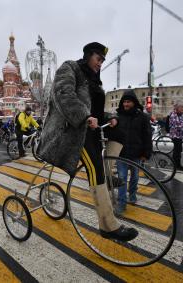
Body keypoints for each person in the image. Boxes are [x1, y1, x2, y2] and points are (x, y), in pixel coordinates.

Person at [37, 42, 138, 241]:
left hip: (88, 128)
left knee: (119, 133)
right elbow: (63, 94)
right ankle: (108, 226)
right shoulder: (70, 68)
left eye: (102, 60)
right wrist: (84, 116)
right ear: (88, 55)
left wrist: (109, 118)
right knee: (95, 166)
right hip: (69, 132)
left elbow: (96, 111)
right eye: (98, 59)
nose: (101, 63)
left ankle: (107, 175)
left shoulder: (95, 81)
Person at [115, 90, 152, 214]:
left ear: (134, 102)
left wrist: (146, 153)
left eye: (128, 102)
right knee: (122, 178)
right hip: (121, 154)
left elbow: (147, 136)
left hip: (136, 153)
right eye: (124, 102)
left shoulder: (142, 117)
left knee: (135, 177)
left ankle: (132, 195)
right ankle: (121, 203)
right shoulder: (117, 116)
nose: (126, 104)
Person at [169, 102, 183, 170]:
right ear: (177, 108)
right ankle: (177, 165)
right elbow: (176, 126)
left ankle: (175, 163)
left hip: (179, 136)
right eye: (181, 107)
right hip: (175, 135)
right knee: (177, 151)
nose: (182, 109)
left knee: (178, 150)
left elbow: (182, 125)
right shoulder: (173, 115)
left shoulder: (180, 115)